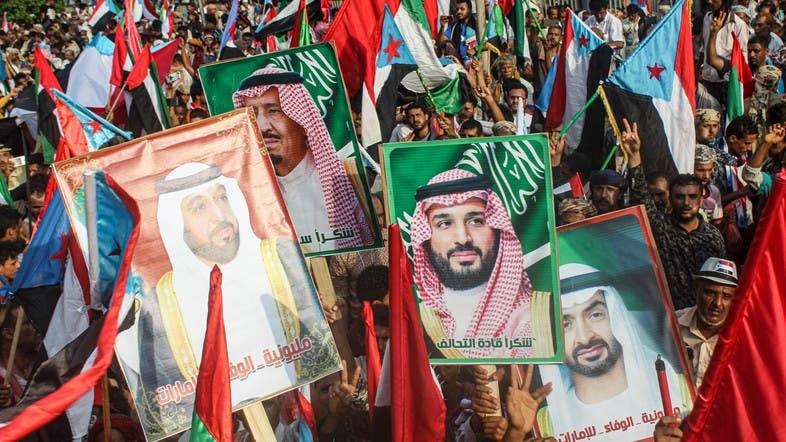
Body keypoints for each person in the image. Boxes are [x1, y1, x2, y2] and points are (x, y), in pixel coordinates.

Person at [135, 162, 336, 438]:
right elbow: (167, 410)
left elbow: (321, 366)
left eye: (221, 198)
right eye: (199, 207)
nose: (219, 215)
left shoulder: (281, 259)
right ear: (176, 225)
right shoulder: (160, 306)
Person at [537, 263, 689, 441]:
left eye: (595, 315)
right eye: (565, 325)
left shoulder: (678, 388)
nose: (585, 338)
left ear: (616, 318)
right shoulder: (546, 422)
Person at [232, 67, 374, 253]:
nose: (261, 126)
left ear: (303, 121)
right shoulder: (243, 194)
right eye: (252, 114)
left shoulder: (342, 181)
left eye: (274, 111)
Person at [410, 168, 534, 359]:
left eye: (476, 221)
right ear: (426, 237)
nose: (463, 238)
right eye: (444, 224)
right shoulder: (413, 317)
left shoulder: (532, 319)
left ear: (497, 229)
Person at [623, 120, 726, 309]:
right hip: (668, 317)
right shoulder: (661, 228)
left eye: (692, 197)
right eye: (679, 197)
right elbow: (641, 198)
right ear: (670, 198)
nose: (686, 203)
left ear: (702, 199)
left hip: (701, 319)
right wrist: (635, 156)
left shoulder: (713, 237)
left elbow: (720, 284)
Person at [676, 257, 738, 388]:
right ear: (696, 289)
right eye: (710, 293)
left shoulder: (742, 336)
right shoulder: (672, 325)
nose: (718, 303)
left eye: (726, 296)